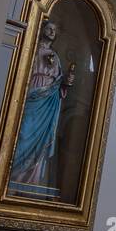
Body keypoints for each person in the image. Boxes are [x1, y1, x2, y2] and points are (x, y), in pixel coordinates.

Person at [10, 20, 75, 198]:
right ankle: (12, 178)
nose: (52, 31)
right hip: (33, 96)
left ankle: (30, 185)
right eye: (49, 28)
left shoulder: (55, 56)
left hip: (49, 103)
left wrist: (66, 82)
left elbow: (59, 82)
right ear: (42, 29)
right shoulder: (31, 50)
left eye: (55, 29)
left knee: (42, 141)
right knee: (24, 134)